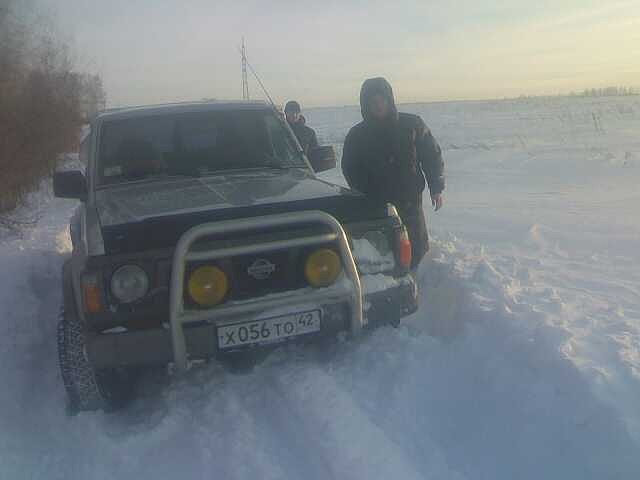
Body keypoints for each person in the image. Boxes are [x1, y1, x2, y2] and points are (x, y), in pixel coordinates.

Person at [342, 77, 444, 269]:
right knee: (385, 253)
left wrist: (436, 187)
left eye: (382, 101)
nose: (378, 106)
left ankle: (418, 280)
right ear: (366, 105)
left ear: (389, 100)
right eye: (373, 103)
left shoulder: (412, 124)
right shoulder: (357, 135)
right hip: (376, 205)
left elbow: (432, 156)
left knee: (418, 251)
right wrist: (365, 192)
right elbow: (350, 168)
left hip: (410, 201)